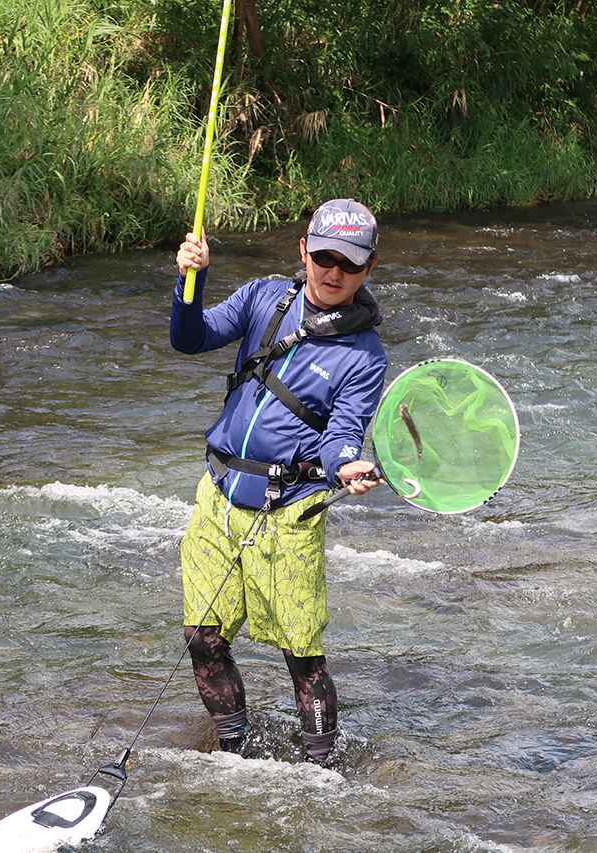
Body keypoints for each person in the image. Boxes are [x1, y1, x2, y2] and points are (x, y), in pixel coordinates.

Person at [169, 198, 389, 765]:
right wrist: (190, 282)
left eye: (349, 262)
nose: (333, 272)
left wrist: (346, 465)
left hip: (287, 510)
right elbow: (190, 338)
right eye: (323, 257)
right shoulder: (266, 297)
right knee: (203, 637)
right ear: (303, 252)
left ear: (368, 269)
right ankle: (233, 751)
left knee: (301, 653)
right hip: (218, 496)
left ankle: (321, 768)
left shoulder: (364, 355)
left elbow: (343, 434)